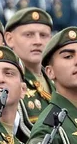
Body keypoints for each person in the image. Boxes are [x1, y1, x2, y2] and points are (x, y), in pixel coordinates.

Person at [4, 7, 53, 136]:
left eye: (43, 35)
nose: (37, 42)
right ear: (9, 39)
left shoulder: (57, 79)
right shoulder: (5, 81)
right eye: (28, 35)